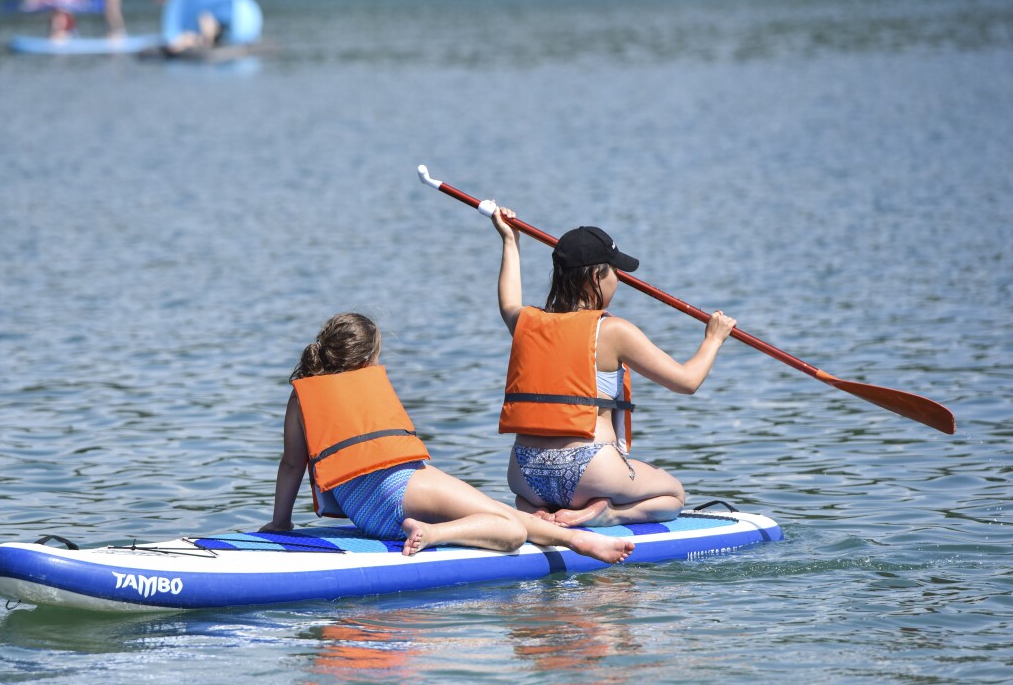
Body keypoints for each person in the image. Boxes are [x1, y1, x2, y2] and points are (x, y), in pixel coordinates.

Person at [261, 313, 635, 563]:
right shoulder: (361, 386)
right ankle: (437, 533)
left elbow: (292, 464)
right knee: (509, 527)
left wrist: (280, 524)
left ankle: (576, 539)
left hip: (364, 512)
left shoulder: (302, 397)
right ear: (366, 361)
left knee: (499, 511)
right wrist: (432, 529)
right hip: (400, 488)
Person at [490, 209, 737, 527]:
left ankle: (532, 512)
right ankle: (606, 515)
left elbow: (508, 300)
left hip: (524, 474)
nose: (619, 280)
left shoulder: (524, 322)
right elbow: (687, 381)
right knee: (673, 495)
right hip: (590, 471)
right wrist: (713, 339)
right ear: (596, 277)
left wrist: (509, 240)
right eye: (616, 273)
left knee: (532, 495)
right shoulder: (612, 331)